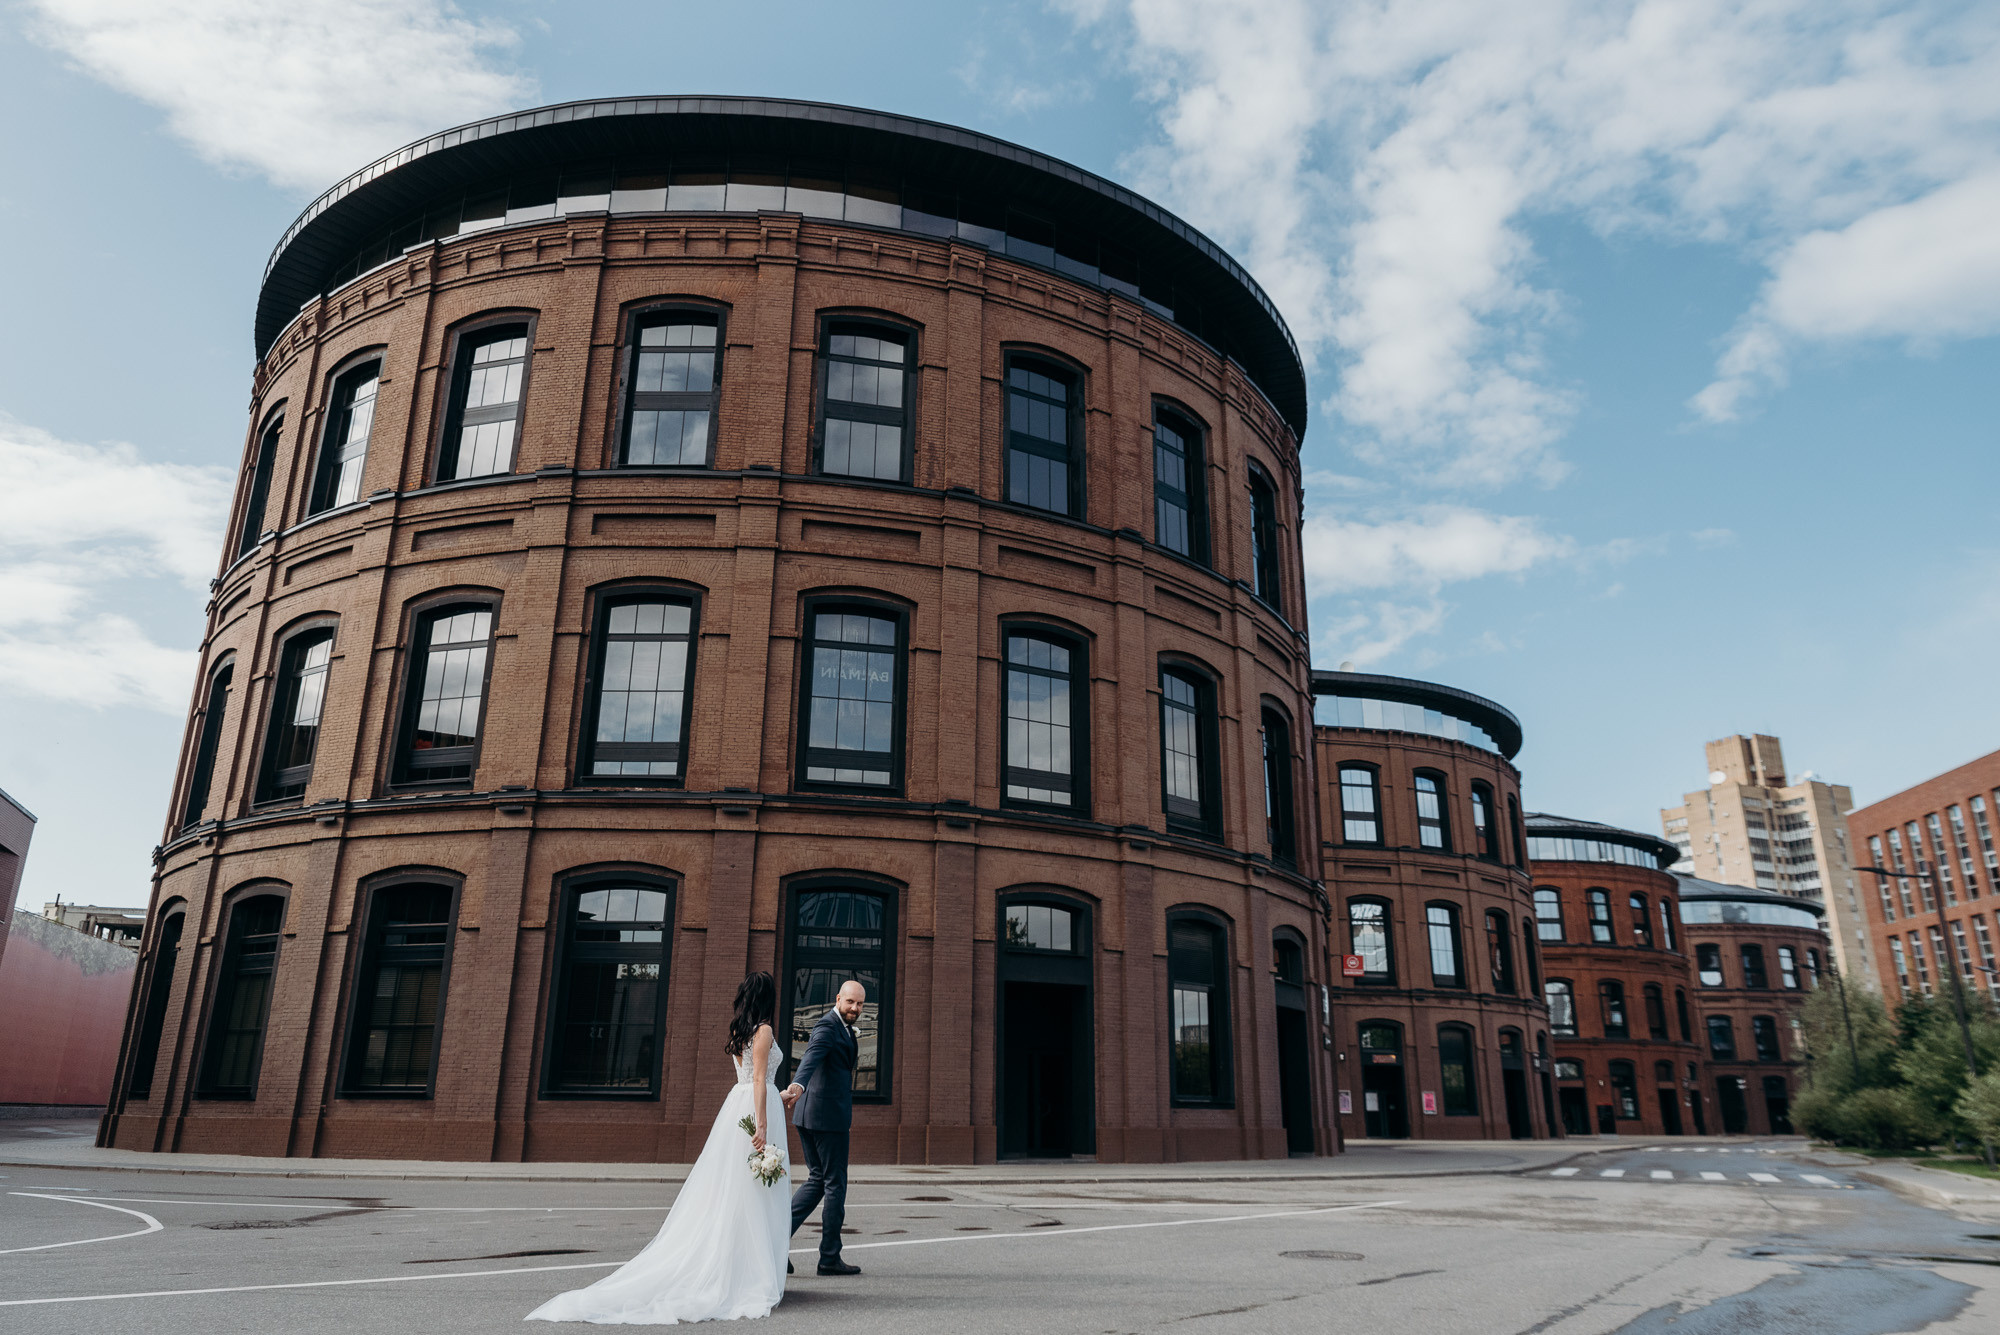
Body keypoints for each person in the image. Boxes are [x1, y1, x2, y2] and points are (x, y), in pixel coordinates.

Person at [527, 972, 791, 1324]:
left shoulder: (740, 1030)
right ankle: (749, 1273)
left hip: (741, 1105)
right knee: (754, 1191)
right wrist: (762, 1125)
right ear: (769, 998)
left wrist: (780, 1094)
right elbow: (759, 1078)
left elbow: (755, 1079)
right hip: (755, 1109)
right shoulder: (764, 1031)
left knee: (737, 1191)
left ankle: (741, 1265)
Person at [782, 979, 865, 1276]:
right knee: (834, 1185)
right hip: (826, 1119)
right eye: (850, 1002)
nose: (854, 1008)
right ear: (838, 998)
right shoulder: (828, 1026)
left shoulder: (841, 1026)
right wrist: (797, 1085)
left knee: (817, 1180)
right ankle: (829, 1257)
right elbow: (810, 1057)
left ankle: (775, 1245)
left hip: (811, 1117)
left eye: (859, 1004)